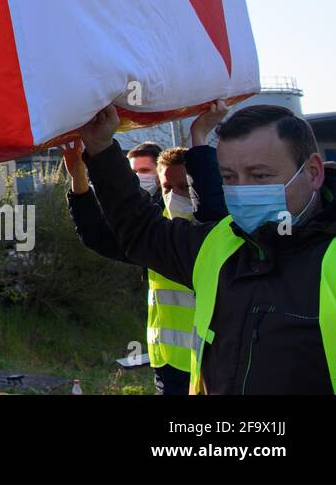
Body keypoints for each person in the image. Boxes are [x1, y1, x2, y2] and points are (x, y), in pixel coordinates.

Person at [79, 103, 336, 394]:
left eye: (260, 176)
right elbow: (141, 231)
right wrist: (101, 149)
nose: (242, 190)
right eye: (228, 177)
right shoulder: (219, 243)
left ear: (313, 172)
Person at [62, 101, 229, 395]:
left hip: (212, 364)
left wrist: (199, 137)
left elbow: (212, 209)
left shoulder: (214, 234)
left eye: (184, 187)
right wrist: (79, 175)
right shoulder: (157, 235)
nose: (175, 195)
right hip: (168, 365)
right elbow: (97, 236)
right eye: (167, 187)